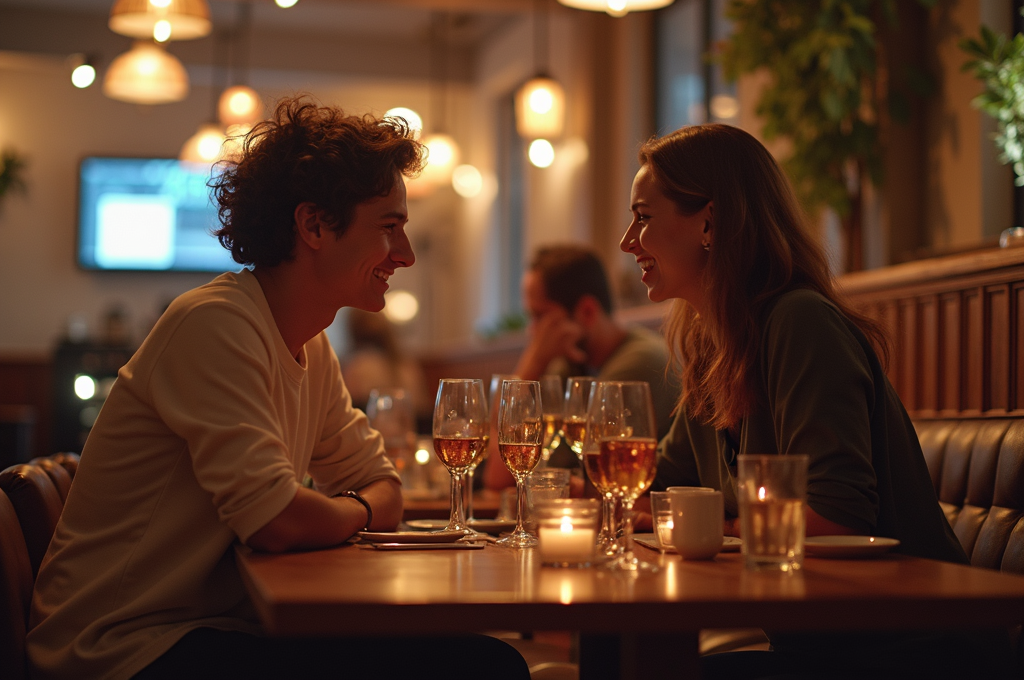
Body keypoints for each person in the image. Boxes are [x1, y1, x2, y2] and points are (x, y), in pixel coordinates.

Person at [27, 98, 530, 680]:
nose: (406, 255)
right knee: (481, 666)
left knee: (479, 658)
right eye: (389, 228)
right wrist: (356, 510)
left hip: (212, 628)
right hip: (119, 648)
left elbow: (382, 486)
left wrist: (341, 509)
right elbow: (276, 521)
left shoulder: (309, 345)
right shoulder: (214, 324)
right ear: (313, 225)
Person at [620, 123, 1012, 679]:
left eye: (642, 217)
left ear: (709, 222)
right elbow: (654, 489)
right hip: (821, 647)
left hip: (911, 650)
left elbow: (836, 515)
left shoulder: (800, 321)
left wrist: (713, 529)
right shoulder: (714, 347)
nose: (627, 241)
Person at [483, 244, 678, 491]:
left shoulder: (638, 364)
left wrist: (535, 361)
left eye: (540, 316)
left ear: (587, 311)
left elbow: (510, 478)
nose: (533, 331)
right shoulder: (571, 365)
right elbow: (502, 475)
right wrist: (535, 362)